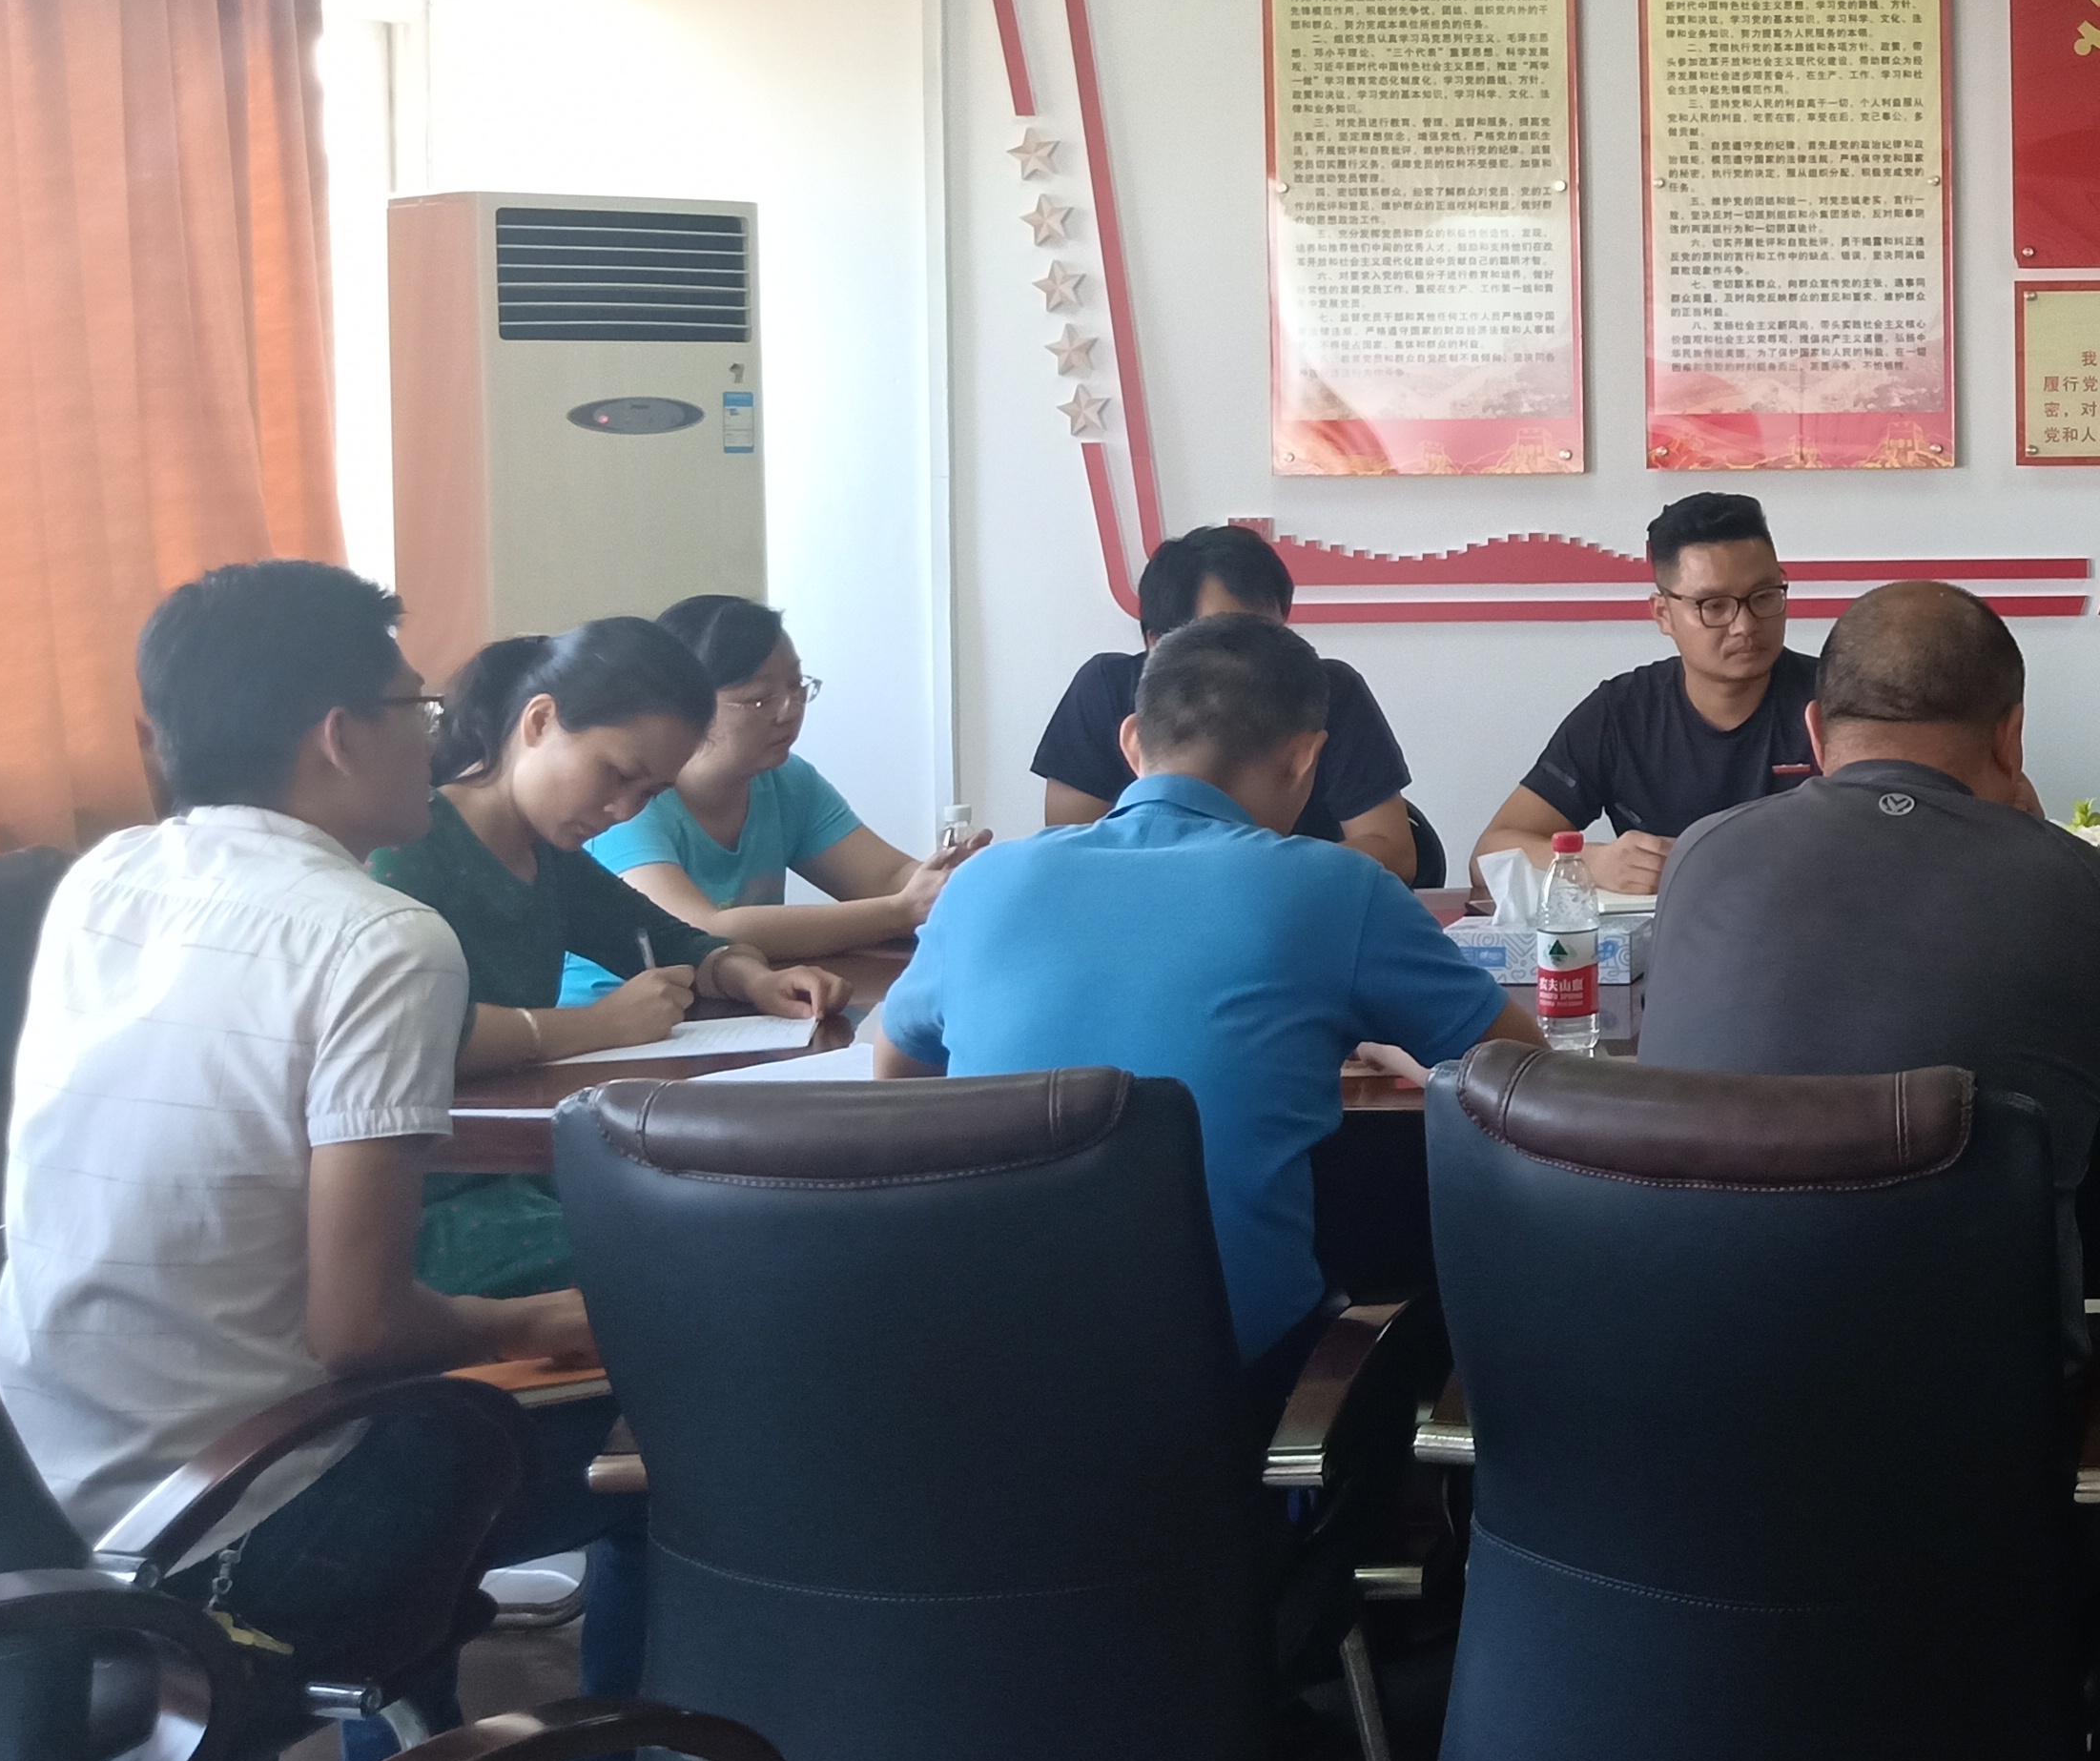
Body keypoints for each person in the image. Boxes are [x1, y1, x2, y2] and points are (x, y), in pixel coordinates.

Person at [0, 563, 648, 1761]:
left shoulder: (102, 876)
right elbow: (362, 1332)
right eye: (417, 707)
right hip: (224, 1537)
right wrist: (545, 1321)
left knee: (432, 1424)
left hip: (26, 1507)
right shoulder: (378, 939)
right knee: (663, 1453)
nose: (434, 737)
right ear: (340, 735)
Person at [875, 615, 1514, 1410]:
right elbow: (1521, 1079)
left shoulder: (980, 883)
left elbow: (896, 1079)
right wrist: (1400, 1047)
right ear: (1307, 755)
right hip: (1225, 1386)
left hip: (975, 1373)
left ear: (1131, 741)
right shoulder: (1335, 888)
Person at [1635, 582, 2100, 1321]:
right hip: (1984, 1386)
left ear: (1814, 730)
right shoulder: (2094, 888)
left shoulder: (1701, 854)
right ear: (2012, 736)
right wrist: (2042, 847)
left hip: (1691, 1361)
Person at [371, 620, 845, 1300]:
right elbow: (413, 1036)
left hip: (522, 1173)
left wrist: (752, 977)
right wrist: (603, 1025)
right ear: (540, 722)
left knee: (751, 1215)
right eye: (616, 775)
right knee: (717, 1248)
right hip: (425, 1195)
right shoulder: (412, 847)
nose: (623, 809)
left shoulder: (546, 855)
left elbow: (672, 937)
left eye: (648, 794)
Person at [577, 594, 978, 976]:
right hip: (618, 1009)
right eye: (759, 698)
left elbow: (885, 878)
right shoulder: (635, 798)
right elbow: (698, 930)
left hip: (742, 999)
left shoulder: (787, 782)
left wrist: (957, 880)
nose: (790, 710)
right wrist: (899, 912)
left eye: (796, 686)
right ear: (689, 705)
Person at [1035, 523, 1420, 884]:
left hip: (1292, 909)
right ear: (1156, 643)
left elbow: (1394, 852)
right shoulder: (1106, 690)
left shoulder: (1329, 692)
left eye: (1268, 634)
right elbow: (1073, 856)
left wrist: (1251, 879)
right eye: (1225, 641)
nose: (1253, 658)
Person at [1475, 493, 1821, 894]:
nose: (1744, 626)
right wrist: (1591, 863)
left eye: (1764, 597)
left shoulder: (1839, 700)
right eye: (1714, 606)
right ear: (1663, 614)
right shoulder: (1621, 713)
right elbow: (1489, 856)